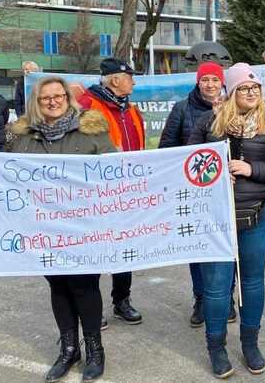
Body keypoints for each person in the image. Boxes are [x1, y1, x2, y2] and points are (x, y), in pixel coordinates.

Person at [188, 62, 265, 377]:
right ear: (231, 92)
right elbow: (190, 165)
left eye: (255, 87)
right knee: (217, 286)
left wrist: (252, 170)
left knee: (252, 281)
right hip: (217, 216)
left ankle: (250, 343)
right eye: (243, 88)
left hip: (260, 212)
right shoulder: (209, 122)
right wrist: (214, 175)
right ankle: (217, 348)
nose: (251, 93)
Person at [11, 76, 116, 382]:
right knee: (58, 286)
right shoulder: (25, 138)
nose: (53, 101)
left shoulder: (93, 132)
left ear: (68, 99)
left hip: (86, 227)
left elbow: (115, 174)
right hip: (44, 230)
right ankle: (69, 349)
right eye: (46, 98)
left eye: (59, 96)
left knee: (84, 287)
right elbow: (11, 181)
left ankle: (95, 349)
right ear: (37, 103)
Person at [159, 62, 238, 328]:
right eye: (205, 80)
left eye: (215, 80)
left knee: (228, 244)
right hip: (194, 190)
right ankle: (202, 296)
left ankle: (226, 295)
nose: (211, 85)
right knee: (198, 247)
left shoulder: (234, 106)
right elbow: (166, 148)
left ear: (222, 82)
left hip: (228, 190)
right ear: (198, 82)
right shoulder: (182, 109)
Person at [78, 57, 145, 328]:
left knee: (125, 246)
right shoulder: (88, 106)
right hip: (97, 194)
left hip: (127, 192)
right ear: (115, 79)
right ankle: (91, 305)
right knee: (94, 248)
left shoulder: (130, 109)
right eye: (129, 76)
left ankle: (121, 300)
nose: (133, 81)